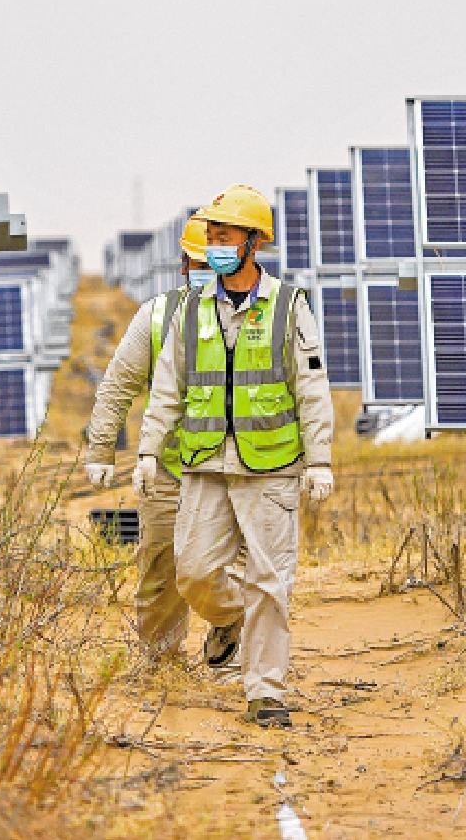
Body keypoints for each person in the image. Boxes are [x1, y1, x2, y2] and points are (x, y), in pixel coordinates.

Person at [136, 184, 334, 728]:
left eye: (224, 235)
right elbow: (168, 388)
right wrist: (149, 448)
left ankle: (265, 690)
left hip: (270, 466)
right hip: (203, 464)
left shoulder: (289, 307)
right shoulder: (192, 309)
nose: (215, 245)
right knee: (194, 573)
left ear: (253, 242)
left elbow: (312, 388)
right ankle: (230, 621)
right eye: (211, 236)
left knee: (271, 579)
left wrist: (320, 459)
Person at [84, 214, 216, 658]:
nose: (206, 271)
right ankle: (163, 661)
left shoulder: (258, 315)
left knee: (228, 568)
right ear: (183, 265)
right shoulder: (156, 316)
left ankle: (234, 651)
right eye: (199, 262)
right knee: (161, 568)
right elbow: (118, 384)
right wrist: (101, 450)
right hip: (167, 469)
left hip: (235, 467)